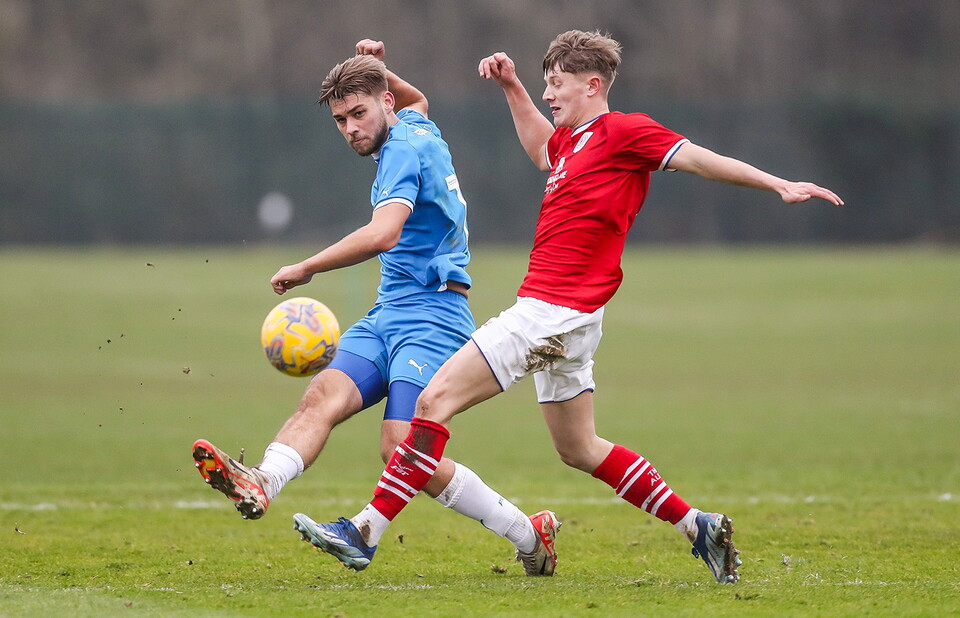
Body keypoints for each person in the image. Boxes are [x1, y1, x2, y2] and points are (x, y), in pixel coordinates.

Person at [294, 30, 844, 584]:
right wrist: (511, 87)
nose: (549, 94)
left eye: (556, 84)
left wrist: (778, 184)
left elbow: (700, 159)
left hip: (549, 311)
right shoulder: (570, 143)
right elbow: (541, 149)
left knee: (432, 403)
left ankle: (365, 530)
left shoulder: (624, 131)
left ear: (593, 85)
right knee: (579, 447)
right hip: (576, 319)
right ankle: (697, 525)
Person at [191, 39, 560, 577]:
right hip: (388, 314)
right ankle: (262, 481)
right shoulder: (415, 124)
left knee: (401, 450)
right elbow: (418, 99)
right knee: (321, 396)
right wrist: (378, 69)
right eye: (340, 120)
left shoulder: (403, 150)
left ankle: (527, 533)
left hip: (434, 318)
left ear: (385, 102)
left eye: (358, 113)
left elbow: (384, 233)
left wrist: (309, 266)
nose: (350, 129)